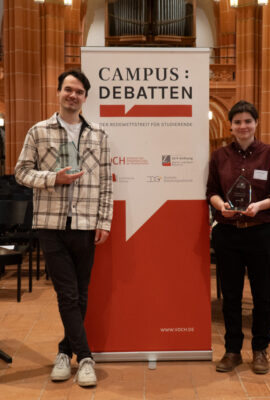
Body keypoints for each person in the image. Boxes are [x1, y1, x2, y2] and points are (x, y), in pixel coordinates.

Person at [15, 69, 113, 387]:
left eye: (79, 91)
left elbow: (106, 185)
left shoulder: (99, 134)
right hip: (50, 224)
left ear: (85, 97)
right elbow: (21, 173)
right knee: (67, 294)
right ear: (58, 92)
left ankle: (63, 352)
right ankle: (85, 359)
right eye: (68, 89)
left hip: (85, 224)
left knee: (80, 294)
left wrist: (104, 222)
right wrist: (52, 178)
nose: (73, 95)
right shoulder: (39, 131)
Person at [206, 100, 270, 375]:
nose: (243, 126)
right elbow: (211, 191)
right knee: (230, 295)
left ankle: (260, 350)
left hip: (260, 233)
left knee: (262, 295)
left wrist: (261, 206)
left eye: (248, 121)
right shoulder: (219, 157)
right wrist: (220, 206)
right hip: (228, 234)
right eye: (238, 121)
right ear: (230, 126)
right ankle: (232, 350)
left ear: (256, 124)